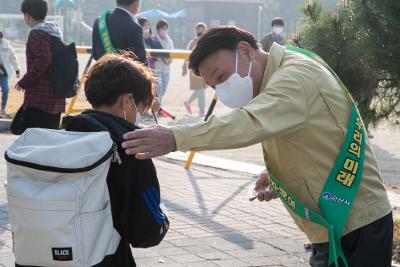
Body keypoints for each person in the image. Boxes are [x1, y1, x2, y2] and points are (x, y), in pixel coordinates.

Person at [121, 26, 393, 267]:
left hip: (355, 225)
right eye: (215, 86)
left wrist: (174, 137)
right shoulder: (279, 73)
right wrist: (279, 176)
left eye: (222, 76)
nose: (223, 90)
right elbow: (308, 136)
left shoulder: (294, 77)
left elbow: (248, 123)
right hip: (335, 224)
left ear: (245, 51)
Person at [62, 53, 169, 266]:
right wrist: (162, 216)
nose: (141, 117)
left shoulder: (65, 133)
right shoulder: (131, 148)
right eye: (143, 109)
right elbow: (146, 233)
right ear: (127, 101)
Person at [15, 0, 65, 130]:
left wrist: (24, 82)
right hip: (56, 98)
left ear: (28, 16)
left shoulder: (36, 33)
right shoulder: (54, 32)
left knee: (32, 142)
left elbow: (44, 59)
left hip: (39, 99)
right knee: (48, 142)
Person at [183, 23, 208, 117]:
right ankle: (202, 111)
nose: (200, 32)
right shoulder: (193, 42)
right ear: (196, 31)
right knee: (200, 90)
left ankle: (188, 102)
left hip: (205, 69)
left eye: (203, 30)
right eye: (199, 30)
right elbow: (186, 56)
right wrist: (184, 67)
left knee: (200, 90)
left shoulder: (207, 42)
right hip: (195, 70)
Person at [0, 31, 20, 117]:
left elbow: (14, 59)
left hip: (3, 73)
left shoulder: (7, 47)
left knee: (6, 89)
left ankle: (2, 109)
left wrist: (17, 70)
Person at [154, 19, 174, 106]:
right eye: (162, 28)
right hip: (156, 69)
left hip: (166, 69)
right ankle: (159, 109)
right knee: (159, 89)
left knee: (164, 89)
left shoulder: (169, 41)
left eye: (166, 28)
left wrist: (168, 61)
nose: (164, 30)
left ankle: (156, 105)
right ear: (158, 29)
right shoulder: (153, 39)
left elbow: (172, 53)